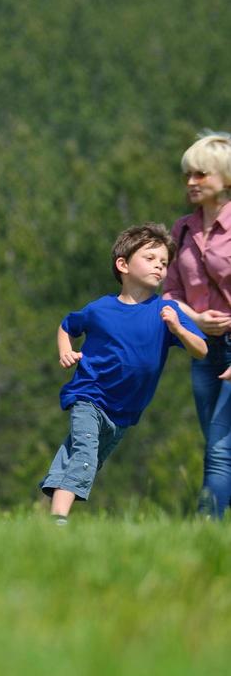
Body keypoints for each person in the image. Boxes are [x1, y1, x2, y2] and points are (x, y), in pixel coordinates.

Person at [41, 223, 206, 523]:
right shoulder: (100, 309)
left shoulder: (166, 312)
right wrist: (65, 350)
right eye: (150, 258)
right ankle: (59, 520)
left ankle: (51, 516)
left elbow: (201, 350)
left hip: (123, 413)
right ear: (123, 265)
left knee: (81, 458)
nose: (159, 265)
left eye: (164, 262)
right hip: (89, 396)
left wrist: (178, 329)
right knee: (84, 455)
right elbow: (67, 325)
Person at [164, 131, 231, 516]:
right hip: (203, 348)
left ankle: (206, 528)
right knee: (215, 442)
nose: (191, 182)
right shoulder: (183, 230)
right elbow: (171, 292)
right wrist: (197, 317)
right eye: (188, 174)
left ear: (225, 177)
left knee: (220, 450)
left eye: (201, 174)